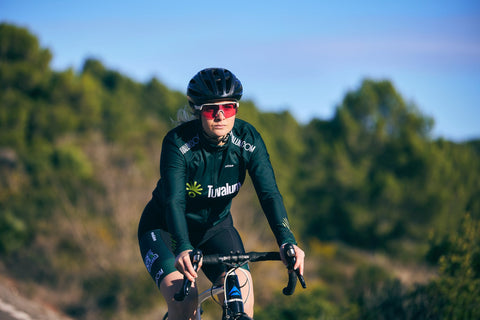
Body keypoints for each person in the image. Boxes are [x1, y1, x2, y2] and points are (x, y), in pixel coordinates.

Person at [138, 67, 305, 319]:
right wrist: (183, 247)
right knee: (186, 302)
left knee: (243, 303)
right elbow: (175, 200)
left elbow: (269, 194)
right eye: (210, 109)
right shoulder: (178, 144)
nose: (220, 116)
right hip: (165, 230)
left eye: (228, 107)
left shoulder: (248, 140)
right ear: (197, 111)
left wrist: (286, 239)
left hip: (216, 229)